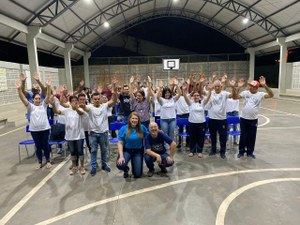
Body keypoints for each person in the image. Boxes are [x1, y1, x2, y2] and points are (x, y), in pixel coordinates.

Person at [81, 81, 117, 176]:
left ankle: (104, 165)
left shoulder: (105, 106)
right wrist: (82, 105)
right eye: (95, 99)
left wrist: (114, 91)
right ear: (92, 100)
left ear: (100, 99)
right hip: (93, 133)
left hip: (103, 133)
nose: (97, 100)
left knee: (104, 150)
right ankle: (93, 167)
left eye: (98, 99)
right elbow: (85, 108)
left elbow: (113, 101)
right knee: (93, 150)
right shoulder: (89, 107)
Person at [16, 78, 52, 169]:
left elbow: (48, 96)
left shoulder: (43, 105)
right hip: (34, 131)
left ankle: (48, 161)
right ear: (32, 100)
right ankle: (39, 161)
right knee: (38, 146)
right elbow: (23, 99)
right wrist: (19, 90)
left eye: (39, 98)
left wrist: (48, 86)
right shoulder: (30, 107)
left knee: (45, 145)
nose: (38, 100)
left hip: (45, 129)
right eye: (36, 99)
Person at [236, 76, 273, 158]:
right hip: (244, 119)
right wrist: (238, 87)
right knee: (243, 136)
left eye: (251, 86)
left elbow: (271, 95)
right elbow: (235, 97)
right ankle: (241, 152)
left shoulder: (260, 94)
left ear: (255, 87)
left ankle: (250, 152)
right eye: (250, 85)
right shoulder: (246, 93)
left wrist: (264, 85)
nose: (250, 87)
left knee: (252, 137)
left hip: (253, 120)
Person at [50, 95, 86, 175]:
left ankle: (82, 166)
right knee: (72, 151)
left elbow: (81, 113)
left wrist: (76, 107)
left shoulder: (80, 109)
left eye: (75, 100)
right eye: (72, 100)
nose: (74, 102)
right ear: (70, 102)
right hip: (70, 135)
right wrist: (53, 105)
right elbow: (56, 111)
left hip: (79, 135)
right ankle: (74, 166)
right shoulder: (66, 110)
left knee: (80, 151)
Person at [206, 78, 236, 159]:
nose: (217, 88)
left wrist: (233, 87)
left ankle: (222, 152)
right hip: (212, 119)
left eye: (218, 86)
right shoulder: (210, 93)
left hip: (222, 119)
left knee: (222, 136)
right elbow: (201, 92)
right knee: (213, 136)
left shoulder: (224, 93)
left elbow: (233, 96)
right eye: (215, 86)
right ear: (213, 86)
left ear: (221, 86)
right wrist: (207, 87)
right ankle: (213, 150)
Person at [182, 80, 212, 158]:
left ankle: (199, 151)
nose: (196, 97)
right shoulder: (190, 104)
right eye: (195, 95)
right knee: (192, 137)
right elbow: (185, 97)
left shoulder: (202, 103)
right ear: (193, 97)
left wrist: (210, 90)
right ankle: (192, 151)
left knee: (200, 137)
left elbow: (208, 97)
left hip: (201, 123)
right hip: (192, 123)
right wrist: (183, 90)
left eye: (198, 95)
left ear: (199, 97)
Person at [116, 112, 148, 178]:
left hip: (138, 151)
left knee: (138, 174)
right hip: (126, 150)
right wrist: (121, 156)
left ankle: (135, 167)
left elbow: (149, 137)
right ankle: (126, 169)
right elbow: (120, 143)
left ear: (138, 120)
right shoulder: (124, 128)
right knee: (120, 164)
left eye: (136, 119)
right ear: (129, 119)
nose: (134, 120)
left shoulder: (142, 127)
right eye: (133, 118)